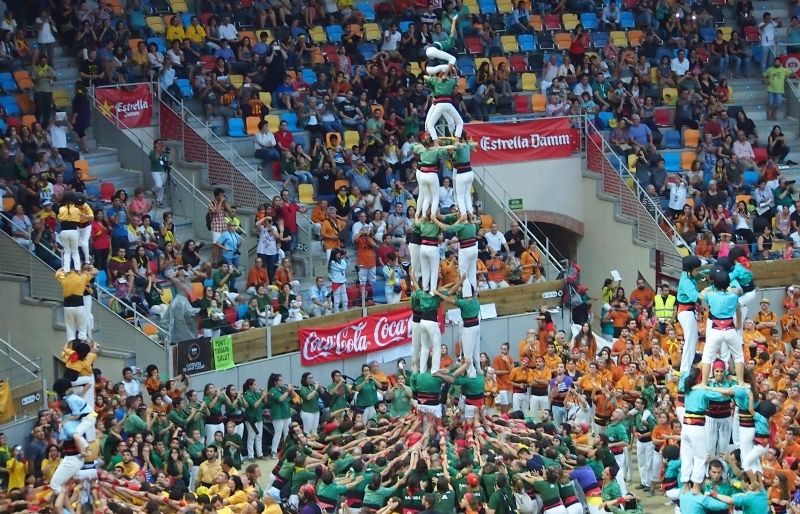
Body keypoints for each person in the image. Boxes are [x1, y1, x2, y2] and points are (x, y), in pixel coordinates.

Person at [677, 256, 704, 373]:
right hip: (686, 312)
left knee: (693, 340)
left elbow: (698, 274)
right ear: (690, 269)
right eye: (696, 269)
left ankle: (687, 367)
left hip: (689, 312)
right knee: (690, 341)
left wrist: (705, 274)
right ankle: (685, 369)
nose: (698, 271)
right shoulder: (686, 282)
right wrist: (709, 292)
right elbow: (696, 296)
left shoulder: (688, 274)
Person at [149, 139, 169, 206]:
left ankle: (159, 200)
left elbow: (167, 161)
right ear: (155, 145)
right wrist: (158, 152)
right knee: (159, 185)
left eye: (161, 143)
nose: (160, 144)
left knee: (162, 187)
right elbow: (154, 160)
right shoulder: (152, 152)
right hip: (155, 171)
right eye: (159, 143)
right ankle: (153, 190)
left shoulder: (164, 153)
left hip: (164, 171)